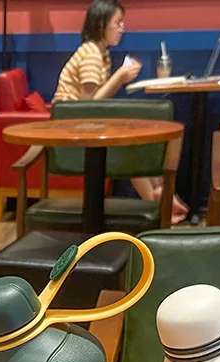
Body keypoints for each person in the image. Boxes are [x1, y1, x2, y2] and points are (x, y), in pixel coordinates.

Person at [53, 0, 188, 222]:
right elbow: (86, 107)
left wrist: (120, 77)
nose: (121, 29)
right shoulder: (91, 55)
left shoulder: (100, 54)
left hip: (80, 126)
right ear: (101, 24)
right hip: (70, 131)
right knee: (129, 147)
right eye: (118, 23)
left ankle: (159, 193)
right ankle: (156, 203)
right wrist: (119, 77)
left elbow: (93, 104)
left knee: (137, 141)